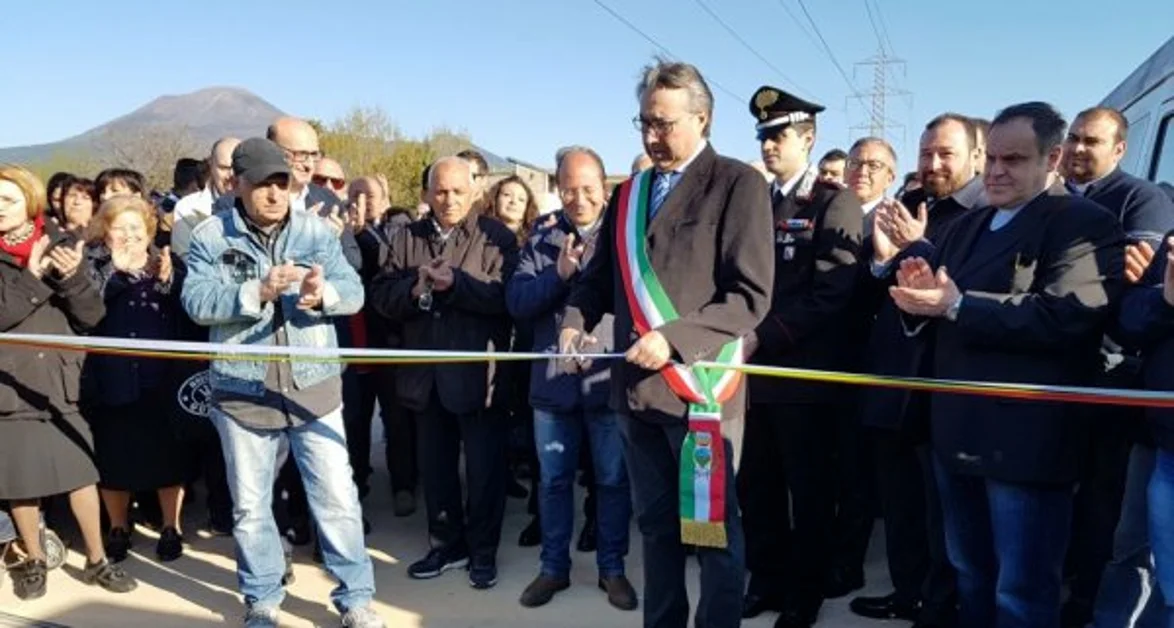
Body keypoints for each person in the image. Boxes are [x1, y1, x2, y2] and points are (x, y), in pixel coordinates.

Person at [881, 102, 1125, 627]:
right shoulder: (966, 228)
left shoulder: (1084, 223)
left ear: (1052, 158)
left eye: (1012, 160)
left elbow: (1067, 316)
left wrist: (958, 306)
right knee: (970, 575)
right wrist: (922, 304)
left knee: (1022, 589)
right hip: (955, 431)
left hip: (1026, 443)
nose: (994, 171)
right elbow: (940, 309)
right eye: (990, 158)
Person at [560, 58, 775, 628]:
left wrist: (673, 340)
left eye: (664, 123)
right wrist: (573, 322)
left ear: (701, 118)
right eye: (644, 124)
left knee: (712, 534)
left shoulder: (737, 184)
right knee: (654, 529)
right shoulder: (629, 194)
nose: (653, 136)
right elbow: (597, 278)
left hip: (699, 394)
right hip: (635, 396)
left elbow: (750, 296)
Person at [180, 138, 381, 628]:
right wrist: (256, 291)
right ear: (237, 185)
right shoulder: (210, 236)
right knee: (250, 507)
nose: (274, 194)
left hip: (314, 390)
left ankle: (356, 598)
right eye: (263, 184)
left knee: (337, 500)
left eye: (281, 184)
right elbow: (195, 301)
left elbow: (353, 291)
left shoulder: (315, 230)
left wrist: (323, 294)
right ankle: (262, 598)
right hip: (241, 395)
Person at [739, 86, 868, 628]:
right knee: (757, 486)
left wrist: (762, 335)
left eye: (778, 135)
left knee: (808, 490)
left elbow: (832, 293)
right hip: (753, 377)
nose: (769, 146)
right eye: (763, 137)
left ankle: (804, 592)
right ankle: (766, 579)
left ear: (808, 138)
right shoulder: (757, 201)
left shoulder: (834, 202)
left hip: (802, 375)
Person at [368, 156, 518, 591]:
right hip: (423, 376)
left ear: (474, 191)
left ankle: (483, 551)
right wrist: (414, 290)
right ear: (426, 194)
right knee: (434, 468)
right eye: (440, 191)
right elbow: (380, 295)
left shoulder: (497, 238)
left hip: (476, 377)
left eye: (457, 191)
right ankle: (445, 545)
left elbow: (506, 298)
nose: (448, 199)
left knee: (485, 470)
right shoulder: (405, 238)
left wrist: (456, 285)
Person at [0, 164, 137, 600]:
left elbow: (92, 315)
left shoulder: (63, 243)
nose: (0, 208)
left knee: (81, 474)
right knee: (21, 481)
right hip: (11, 379)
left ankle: (98, 561)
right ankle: (33, 560)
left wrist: (75, 276)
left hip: (62, 378)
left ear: (31, 201)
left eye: (8, 199)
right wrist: (33, 278)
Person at [508, 146, 636, 611]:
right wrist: (559, 275)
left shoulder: (626, 239)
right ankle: (553, 569)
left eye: (587, 188)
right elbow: (518, 303)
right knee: (554, 481)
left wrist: (594, 343)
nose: (578, 198)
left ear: (604, 188)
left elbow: (632, 303)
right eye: (568, 189)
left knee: (611, 480)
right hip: (552, 384)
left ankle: (612, 570)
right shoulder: (540, 240)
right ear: (557, 190)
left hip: (606, 379)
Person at [83, 196, 190, 564]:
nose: (129, 235)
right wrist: (115, 273)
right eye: (119, 228)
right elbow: (85, 309)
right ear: (105, 232)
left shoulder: (167, 263)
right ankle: (118, 526)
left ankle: (171, 526)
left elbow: (188, 310)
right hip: (113, 379)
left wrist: (171, 282)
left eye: (136, 227)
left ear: (149, 230)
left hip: (161, 377)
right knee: (114, 459)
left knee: (168, 459)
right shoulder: (93, 265)